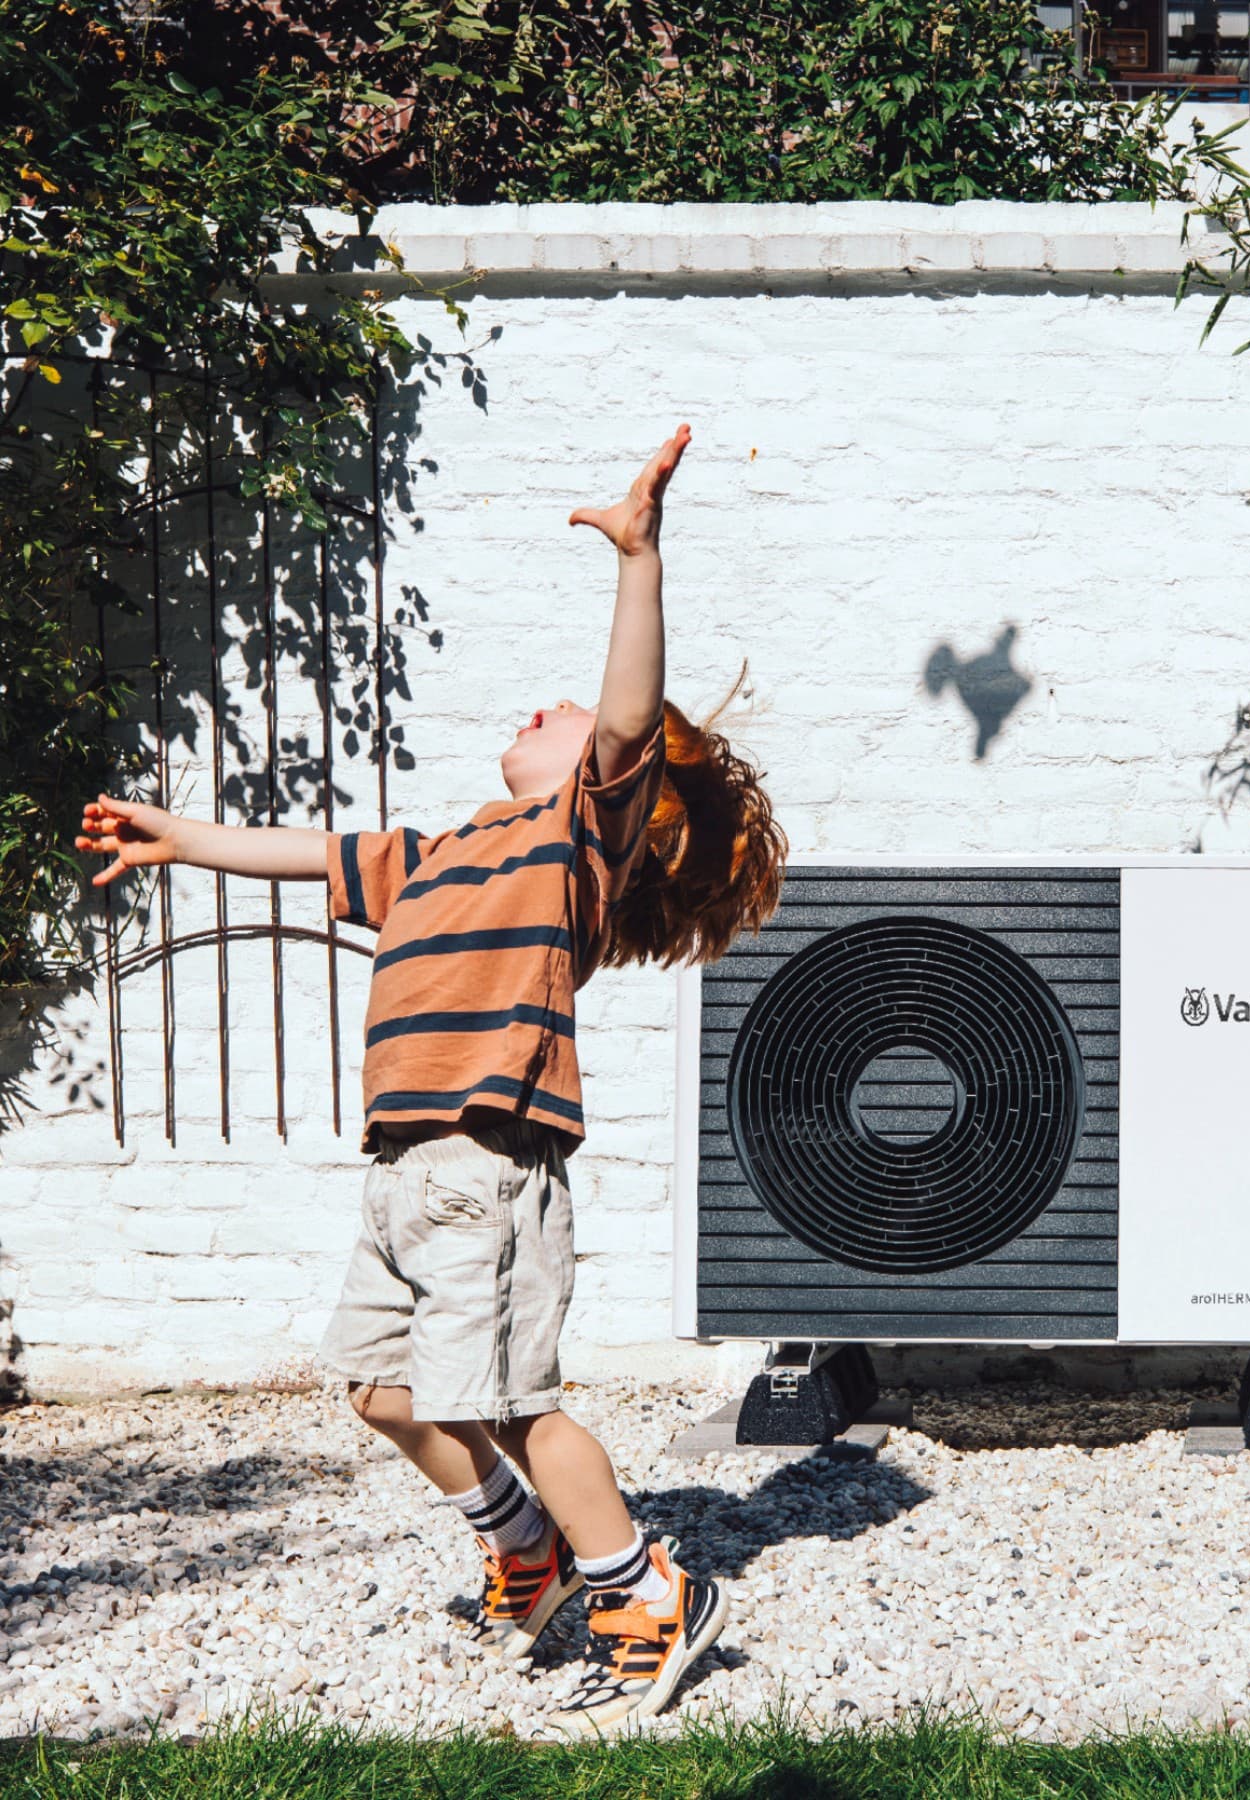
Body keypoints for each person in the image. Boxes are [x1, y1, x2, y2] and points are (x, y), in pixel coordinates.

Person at [75, 423, 786, 1736]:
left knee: (513, 1400)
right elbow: (302, 849)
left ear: (613, 781)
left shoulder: (574, 839)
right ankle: (533, 1547)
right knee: (381, 1387)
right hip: (402, 1164)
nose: (548, 711)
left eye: (567, 717)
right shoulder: (436, 851)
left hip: (488, 1160)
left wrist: (641, 562)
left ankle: (646, 1589)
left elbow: (625, 714)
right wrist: (178, 835)